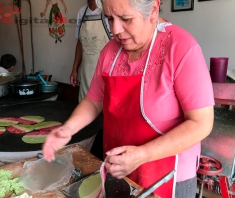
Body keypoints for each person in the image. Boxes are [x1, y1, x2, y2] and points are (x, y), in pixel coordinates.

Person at [43, 0, 214, 197]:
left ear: (153, 11)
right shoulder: (110, 51)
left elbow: (201, 123)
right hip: (120, 167)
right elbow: (93, 101)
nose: (115, 29)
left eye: (125, 19)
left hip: (167, 175)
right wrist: (68, 129)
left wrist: (143, 155)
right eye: (109, 18)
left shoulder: (182, 48)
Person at [70, 0, 111, 102]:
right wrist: (74, 69)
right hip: (87, 71)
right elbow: (80, 42)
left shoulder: (107, 10)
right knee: (86, 104)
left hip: (106, 70)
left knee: (104, 104)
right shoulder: (82, 12)